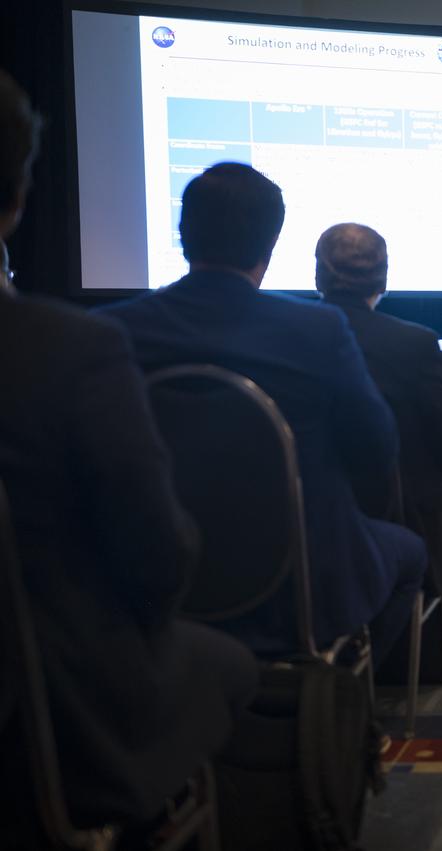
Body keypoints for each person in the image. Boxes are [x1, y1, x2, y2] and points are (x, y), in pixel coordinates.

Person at [0, 71, 257, 838]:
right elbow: (156, 555)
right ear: (17, 198)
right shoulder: (68, 351)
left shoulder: (113, 333)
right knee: (228, 665)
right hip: (42, 723)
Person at [100, 163, 427, 664]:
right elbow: (377, 450)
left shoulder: (110, 333)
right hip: (297, 589)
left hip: (151, 576)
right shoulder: (318, 331)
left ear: (183, 236)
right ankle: (335, 708)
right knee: (410, 554)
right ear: (270, 247)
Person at [313, 223, 442, 626]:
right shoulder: (411, 342)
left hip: (298, 515)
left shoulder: (287, 334)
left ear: (318, 277)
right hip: (396, 519)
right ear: (384, 278)